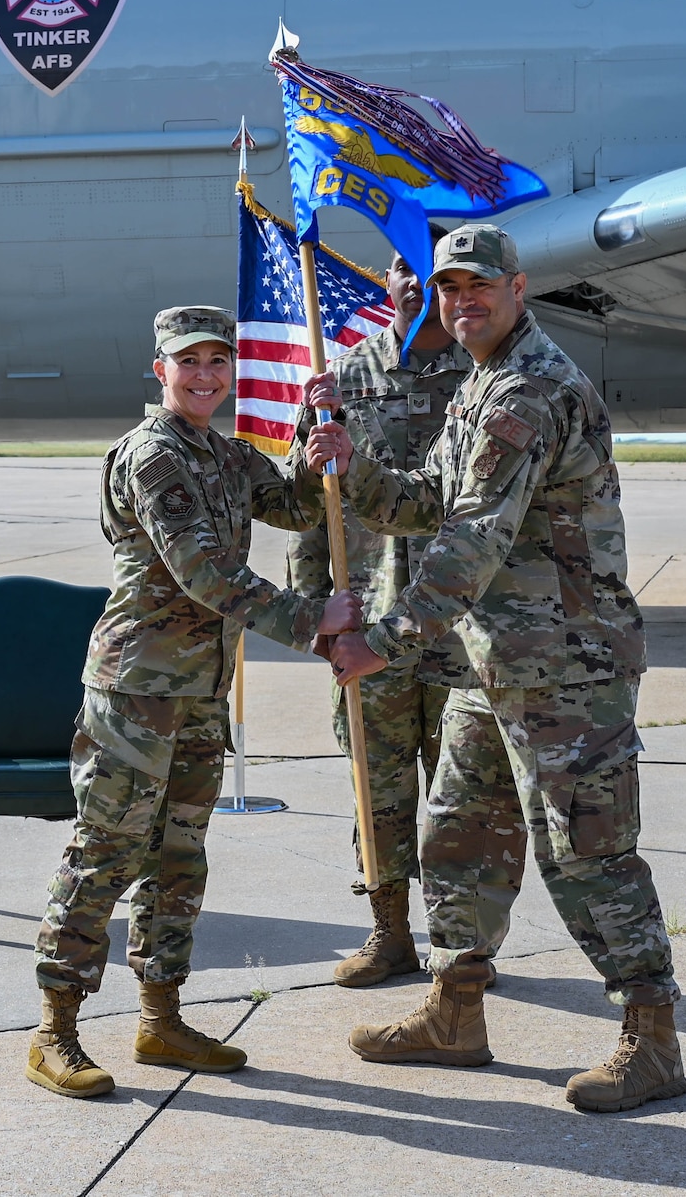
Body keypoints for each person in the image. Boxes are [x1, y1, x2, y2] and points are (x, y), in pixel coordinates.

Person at [304, 224, 686, 1114]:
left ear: (517, 289)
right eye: (448, 288)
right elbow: (431, 499)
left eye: (478, 285)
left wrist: (384, 639)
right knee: (458, 833)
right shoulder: (481, 385)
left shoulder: (527, 393)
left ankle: (653, 1034)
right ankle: (454, 1010)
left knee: (589, 853)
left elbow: (469, 541)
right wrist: (354, 471)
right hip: (495, 662)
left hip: (568, 669)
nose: (461, 301)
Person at [28, 305, 361, 1100]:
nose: (206, 375)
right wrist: (313, 621)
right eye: (190, 362)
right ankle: (55, 1029)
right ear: (161, 371)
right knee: (106, 851)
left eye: (218, 361)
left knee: (179, 857)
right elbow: (205, 573)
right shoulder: (154, 458)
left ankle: (160, 1018)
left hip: (201, 690)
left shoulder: (223, 454)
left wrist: (320, 447)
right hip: (137, 690)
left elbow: (297, 506)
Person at [286, 251, 471, 988]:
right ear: (386, 279)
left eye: (431, 267)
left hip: (465, 626)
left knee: (463, 797)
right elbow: (309, 506)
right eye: (401, 263)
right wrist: (315, 613)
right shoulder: (343, 380)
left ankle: (461, 949)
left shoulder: (483, 376)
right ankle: (390, 933)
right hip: (369, 622)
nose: (414, 279)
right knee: (378, 786)